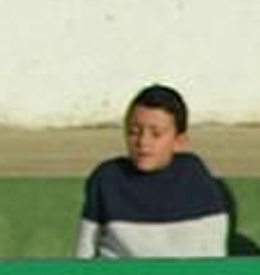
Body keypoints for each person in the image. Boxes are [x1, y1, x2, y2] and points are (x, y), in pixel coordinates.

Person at [76, 84, 229, 258]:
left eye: (156, 134)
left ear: (180, 140)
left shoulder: (196, 178)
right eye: (134, 132)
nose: (143, 142)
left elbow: (213, 254)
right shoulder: (106, 179)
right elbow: (85, 252)